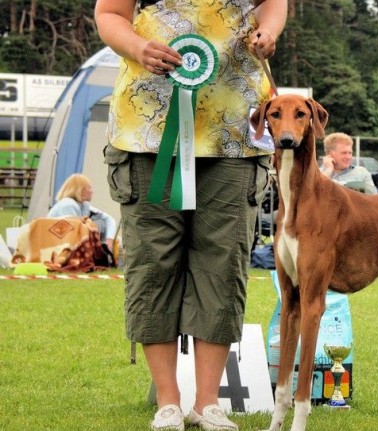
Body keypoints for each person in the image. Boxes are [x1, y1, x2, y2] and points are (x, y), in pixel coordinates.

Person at [94, 1, 286, 431]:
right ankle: (168, 402)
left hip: (236, 130)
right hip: (147, 131)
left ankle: (208, 403)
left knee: (223, 265)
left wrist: (268, 31)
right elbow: (109, 15)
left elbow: (274, 3)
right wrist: (139, 47)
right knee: (153, 264)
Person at [47, 173, 117, 252]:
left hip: (68, 244)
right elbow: (72, 235)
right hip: (56, 246)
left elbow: (108, 219)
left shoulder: (84, 205)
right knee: (96, 224)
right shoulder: (68, 205)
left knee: (101, 222)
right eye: (89, 188)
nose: (92, 191)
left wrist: (109, 239)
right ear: (80, 189)